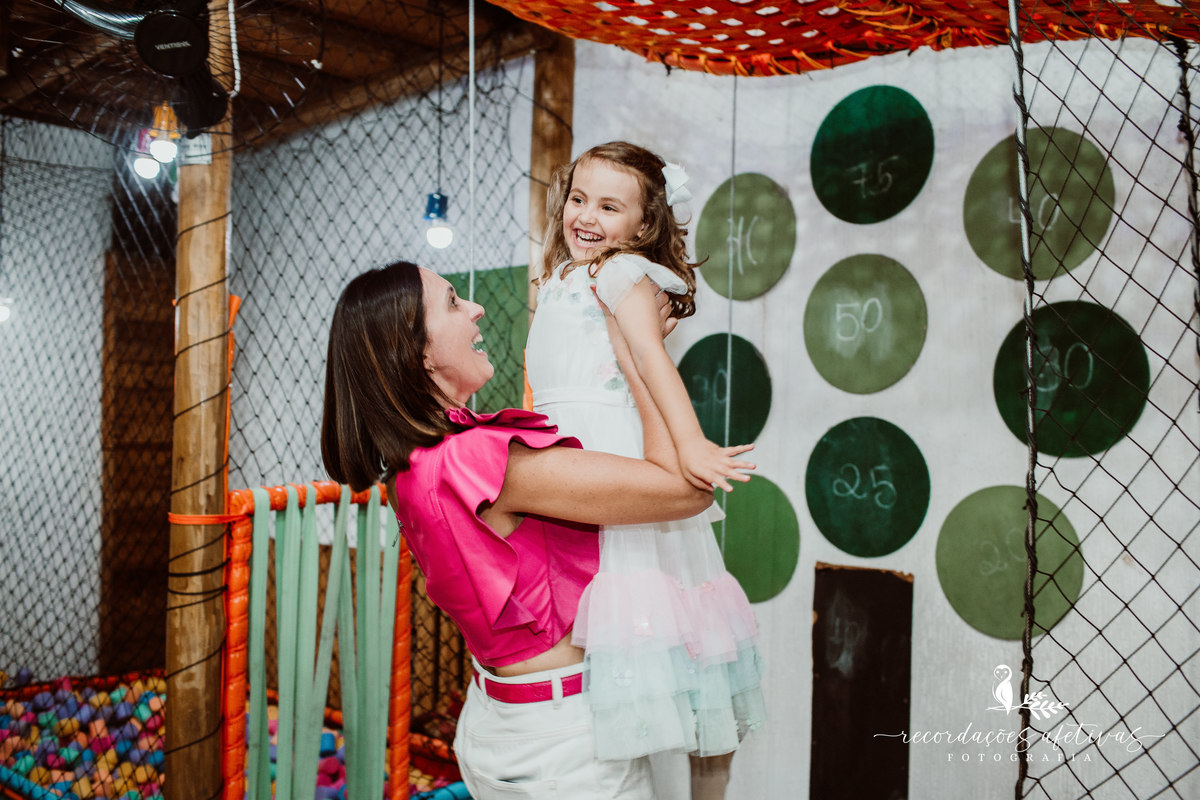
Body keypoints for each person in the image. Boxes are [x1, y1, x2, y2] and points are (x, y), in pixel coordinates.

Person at [321, 260, 754, 799]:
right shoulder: (476, 461)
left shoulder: (415, 464)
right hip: (561, 749)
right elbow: (686, 491)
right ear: (419, 352)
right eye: (454, 302)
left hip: (503, 722)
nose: (476, 308)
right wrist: (637, 354)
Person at [526, 141, 767, 799]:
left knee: (679, 665)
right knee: (612, 670)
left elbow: (655, 365)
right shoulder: (553, 282)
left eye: (609, 206)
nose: (586, 216)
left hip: (615, 466)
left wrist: (689, 446)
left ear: (643, 226)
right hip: (568, 470)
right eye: (578, 199)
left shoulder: (619, 272)